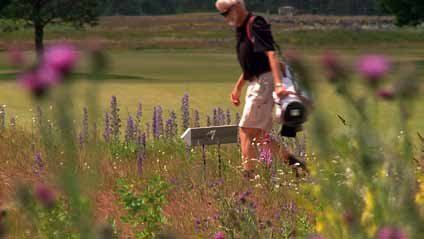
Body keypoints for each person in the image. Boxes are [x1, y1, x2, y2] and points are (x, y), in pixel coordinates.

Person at [215, 0, 296, 178]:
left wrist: (278, 83)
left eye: (226, 13)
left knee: (245, 130)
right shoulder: (241, 29)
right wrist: (237, 88)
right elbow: (251, 65)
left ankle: (248, 176)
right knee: (260, 135)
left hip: (265, 82)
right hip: (257, 81)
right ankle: (295, 165)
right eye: (222, 14)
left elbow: (270, 54)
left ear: (236, 7)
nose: (225, 18)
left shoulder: (255, 24)